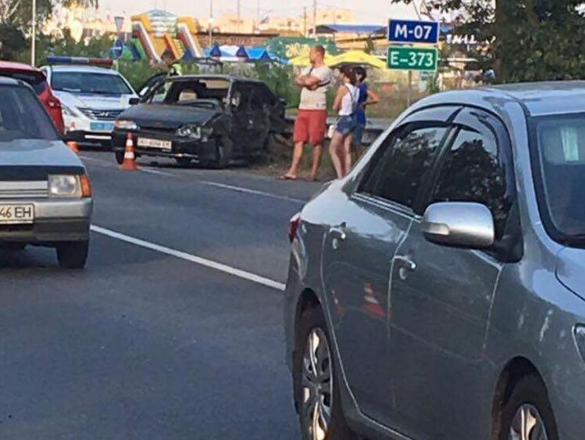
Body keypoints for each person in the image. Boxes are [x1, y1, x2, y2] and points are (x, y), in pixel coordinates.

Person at [281, 45, 333, 181]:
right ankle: (293, 170)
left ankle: (313, 172)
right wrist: (307, 82)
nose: (309, 56)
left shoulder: (325, 70)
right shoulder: (308, 69)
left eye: (311, 53)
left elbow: (310, 81)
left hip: (317, 108)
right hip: (303, 107)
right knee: (299, 139)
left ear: (318, 54)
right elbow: (299, 80)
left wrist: (306, 81)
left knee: (316, 140)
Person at [329, 66, 359, 179]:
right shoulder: (356, 89)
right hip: (352, 118)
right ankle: (348, 174)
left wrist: (337, 107)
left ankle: (339, 175)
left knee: (333, 148)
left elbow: (335, 106)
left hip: (344, 118)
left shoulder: (343, 88)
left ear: (343, 75)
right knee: (347, 149)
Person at [353, 67, 380, 158]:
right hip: (350, 115)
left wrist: (365, 103)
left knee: (357, 142)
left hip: (358, 116)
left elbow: (376, 98)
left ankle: (359, 161)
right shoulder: (350, 86)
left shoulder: (362, 87)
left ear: (359, 76)